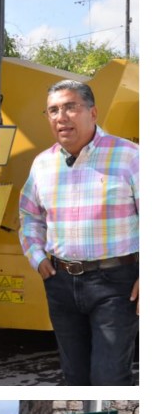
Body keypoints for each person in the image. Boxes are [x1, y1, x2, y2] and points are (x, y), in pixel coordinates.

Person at [19, 79, 139, 385]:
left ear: (93, 112)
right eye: (53, 110)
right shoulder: (43, 164)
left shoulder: (130, 157)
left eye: (71, 107)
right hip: (61, 283)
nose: (62, 117)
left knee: (109, 378)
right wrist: (37, 258)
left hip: (116, 284)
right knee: (73, 378)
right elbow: (29, 215)